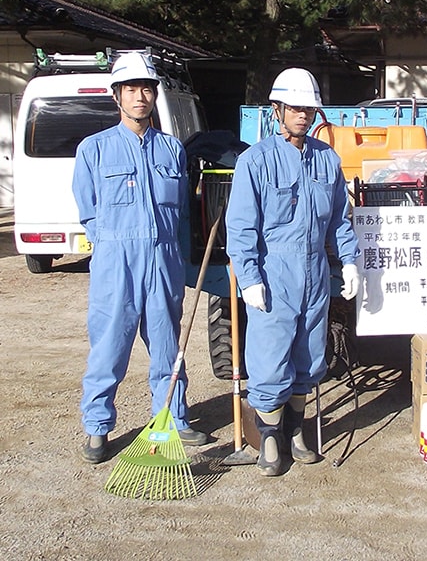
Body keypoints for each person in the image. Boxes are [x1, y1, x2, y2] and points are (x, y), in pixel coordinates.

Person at [73, 52, 208, 464]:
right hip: (118, 262)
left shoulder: (171, 150)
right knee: (109, 347)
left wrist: (177, 259)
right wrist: (115, 247)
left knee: (169, 345)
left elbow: (183, 212)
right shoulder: (93, 149)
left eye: (146, 88)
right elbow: (89, 211)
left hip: (164, 260)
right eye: (131, 89)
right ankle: (98, 427)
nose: (140, 96)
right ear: (117, 96)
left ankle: (173, 417)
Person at [226, 68, 360, 476]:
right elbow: (241, 225)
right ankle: (269, 438)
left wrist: (350, 259)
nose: (303, 115)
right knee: (269, 356)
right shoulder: (255, 160)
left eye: (308, 108)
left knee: (309, 353)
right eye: (295, 107)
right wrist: (248, 278)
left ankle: (297, 431)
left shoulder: (327, 159)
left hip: (315, 269)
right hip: (274, 272)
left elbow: (338, 218)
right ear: (278, 109)